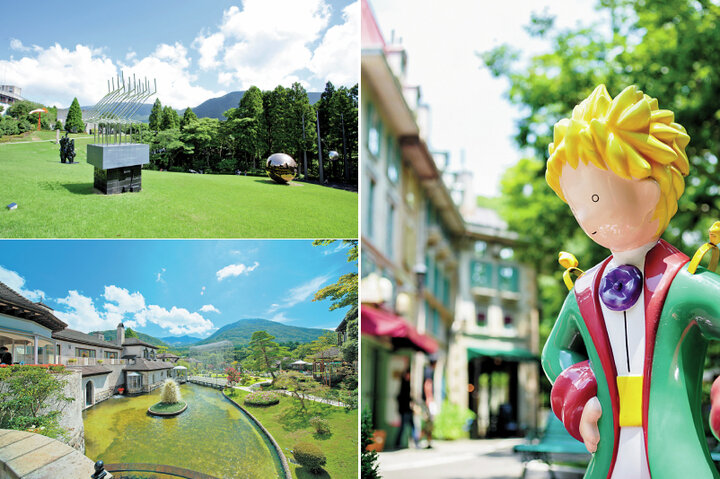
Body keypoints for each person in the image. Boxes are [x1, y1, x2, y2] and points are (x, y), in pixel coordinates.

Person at [543, 84, 720, 479]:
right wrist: (583, 393)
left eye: (593, 199)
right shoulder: (585, 289)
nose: (586, 219)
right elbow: (557, 354)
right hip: (608, 450)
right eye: (576, 205)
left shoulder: (685, 283)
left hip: (675, 450)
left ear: (649, 190)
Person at [395, 368, 418, 449]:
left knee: (408, 426)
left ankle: (414, 442)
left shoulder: (404, 383)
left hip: (405, 409)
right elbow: (405, 398)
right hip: (406, 409)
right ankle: (414, 442)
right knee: (407, 426)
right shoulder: (405, 384)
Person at [421, 356, 437, 448]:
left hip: (428, 400)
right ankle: (424, 440)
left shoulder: (427, 370)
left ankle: (428, 441)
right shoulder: (429, 371)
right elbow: (428, 385)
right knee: (429, 422)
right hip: (428, 400)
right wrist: (429, 398)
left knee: (428, 422)